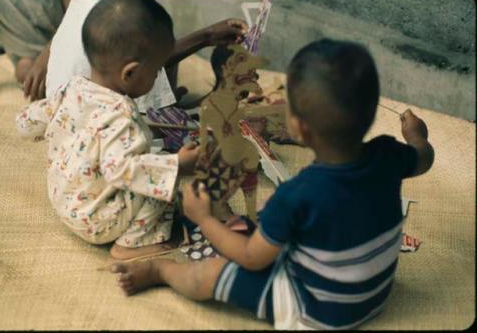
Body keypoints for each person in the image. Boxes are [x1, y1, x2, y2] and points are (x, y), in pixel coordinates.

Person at [110, 39, 435, 329]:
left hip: (318, 311)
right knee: (258, 225)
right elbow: (425, 157)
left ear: (298, 129)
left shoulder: (297, 195)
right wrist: (416, 136)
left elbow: (253, 259)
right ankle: (227, 223)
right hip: (373, 292)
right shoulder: (390, 153)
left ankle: (161, 272)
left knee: (213, 270)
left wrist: (203, 220)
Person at [15, 0, 201, 260]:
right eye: (157, 69)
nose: (160, 75)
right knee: (161, 175)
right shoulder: (122, 116)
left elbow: (25, 122)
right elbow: (122, 172)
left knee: (152, 170)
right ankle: (133, 242)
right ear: (131, 73)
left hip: (64, 200)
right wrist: (178, 165)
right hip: (99, 221)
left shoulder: (72, 87)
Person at [45, 0, 248, 113]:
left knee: (157, 36)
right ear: (130, 73)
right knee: (152, 38)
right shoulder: (121, 121)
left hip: (65, 103)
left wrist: (207, 36)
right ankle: (195, 106)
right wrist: (180, 163)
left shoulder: (105, 5)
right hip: (94, 112)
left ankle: (174, 105)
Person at [0, 0, 73, 109]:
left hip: (65, 39)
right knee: (28, 75)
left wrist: (49, 54)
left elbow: (75, 10)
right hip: (28, 56)